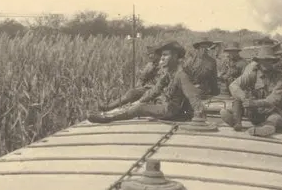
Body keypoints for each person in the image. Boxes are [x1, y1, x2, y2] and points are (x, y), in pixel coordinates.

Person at [87, 41, 217, 127]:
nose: (161, 59)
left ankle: (108, 119)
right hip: (165, 105)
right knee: (139, 104)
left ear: (176, 56)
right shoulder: (169, 73)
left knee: (139, 109)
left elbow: (192, 94)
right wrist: (140, 100)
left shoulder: (181, 74)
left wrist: (199, 113)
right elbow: (155, 90)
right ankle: (110, 113)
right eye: (161, 56)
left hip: (171, 111)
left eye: (165, 55)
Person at [99, 46, 161, 112]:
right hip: (148, 88)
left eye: (151, 54)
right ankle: (108, 107)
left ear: (158, 54)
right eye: (148, 54)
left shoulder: (164, 63)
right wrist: (138, 88)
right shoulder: (150, 65)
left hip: (160, 89)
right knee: (131, 93)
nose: (149, 56)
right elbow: (142, 78)